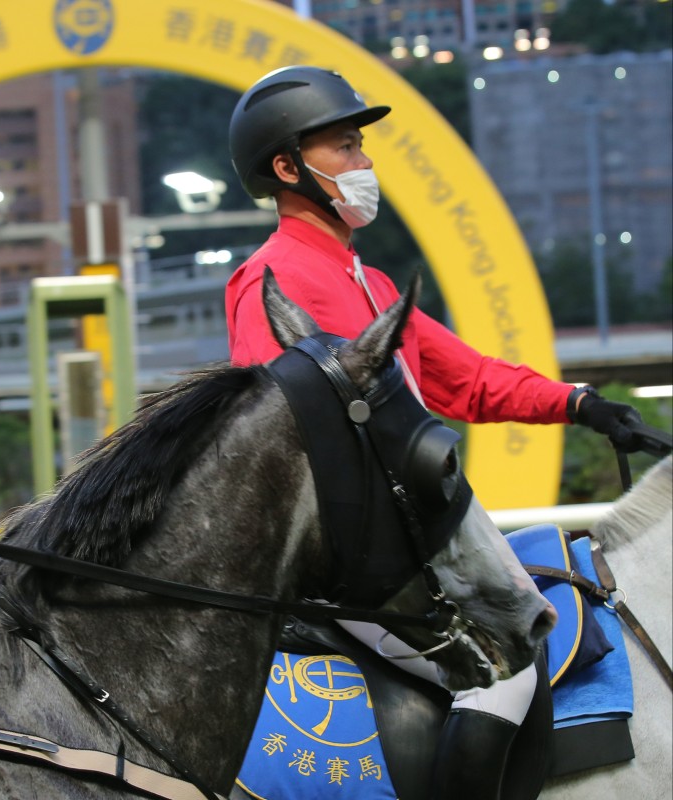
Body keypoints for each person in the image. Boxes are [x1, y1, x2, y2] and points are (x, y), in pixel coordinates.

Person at [226, 65, 646, 799]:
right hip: (353, 564)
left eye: (362, 147)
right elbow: (285, 440)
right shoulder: (269, 280)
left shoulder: (375, 285)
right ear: (288, 168)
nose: (365, 165)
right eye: (346, 149)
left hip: (416, 544)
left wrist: (583, 405)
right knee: (506, 670)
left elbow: (469, 380)